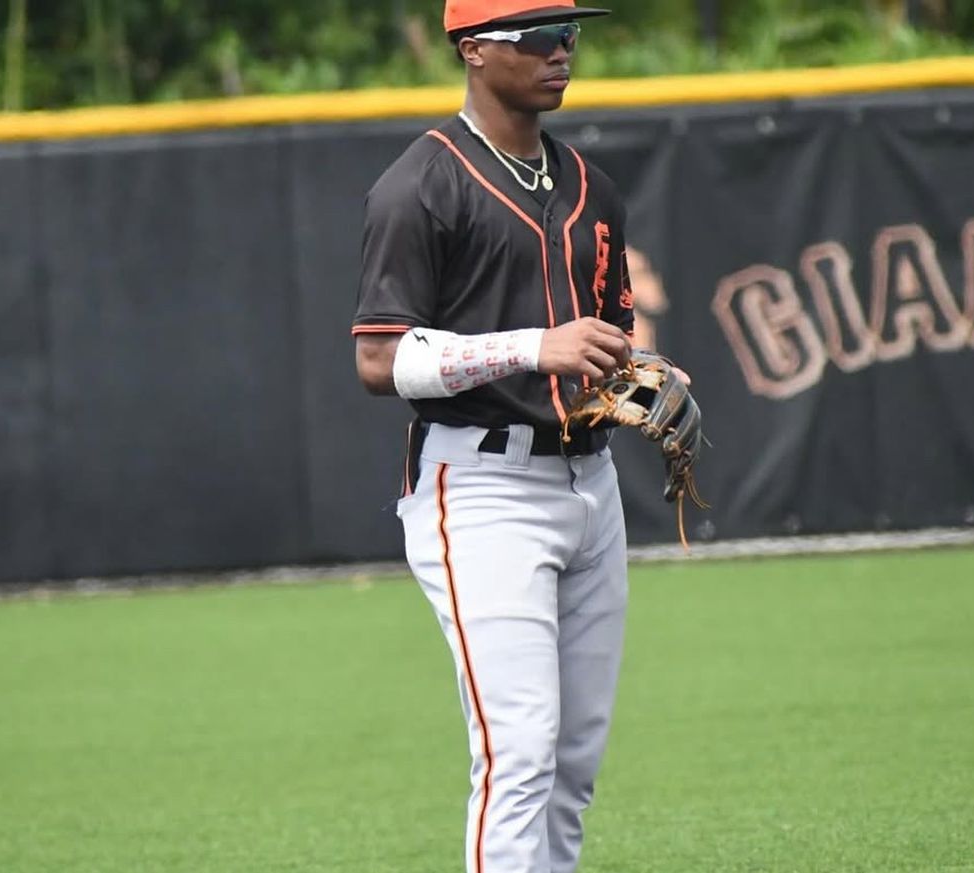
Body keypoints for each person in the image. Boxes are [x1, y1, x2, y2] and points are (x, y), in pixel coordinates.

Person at [352, 3, 637, 871]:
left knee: (571, 767)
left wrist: (640, 376)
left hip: (592, 488)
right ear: (474, 50)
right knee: (519, 753)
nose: (562, 52)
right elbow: (379, 358)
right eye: (538, 37)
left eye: (570, 35)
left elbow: (603, 336)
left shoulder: (593, 187)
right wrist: (530, 347)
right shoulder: (418, 186)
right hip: (482, 492)